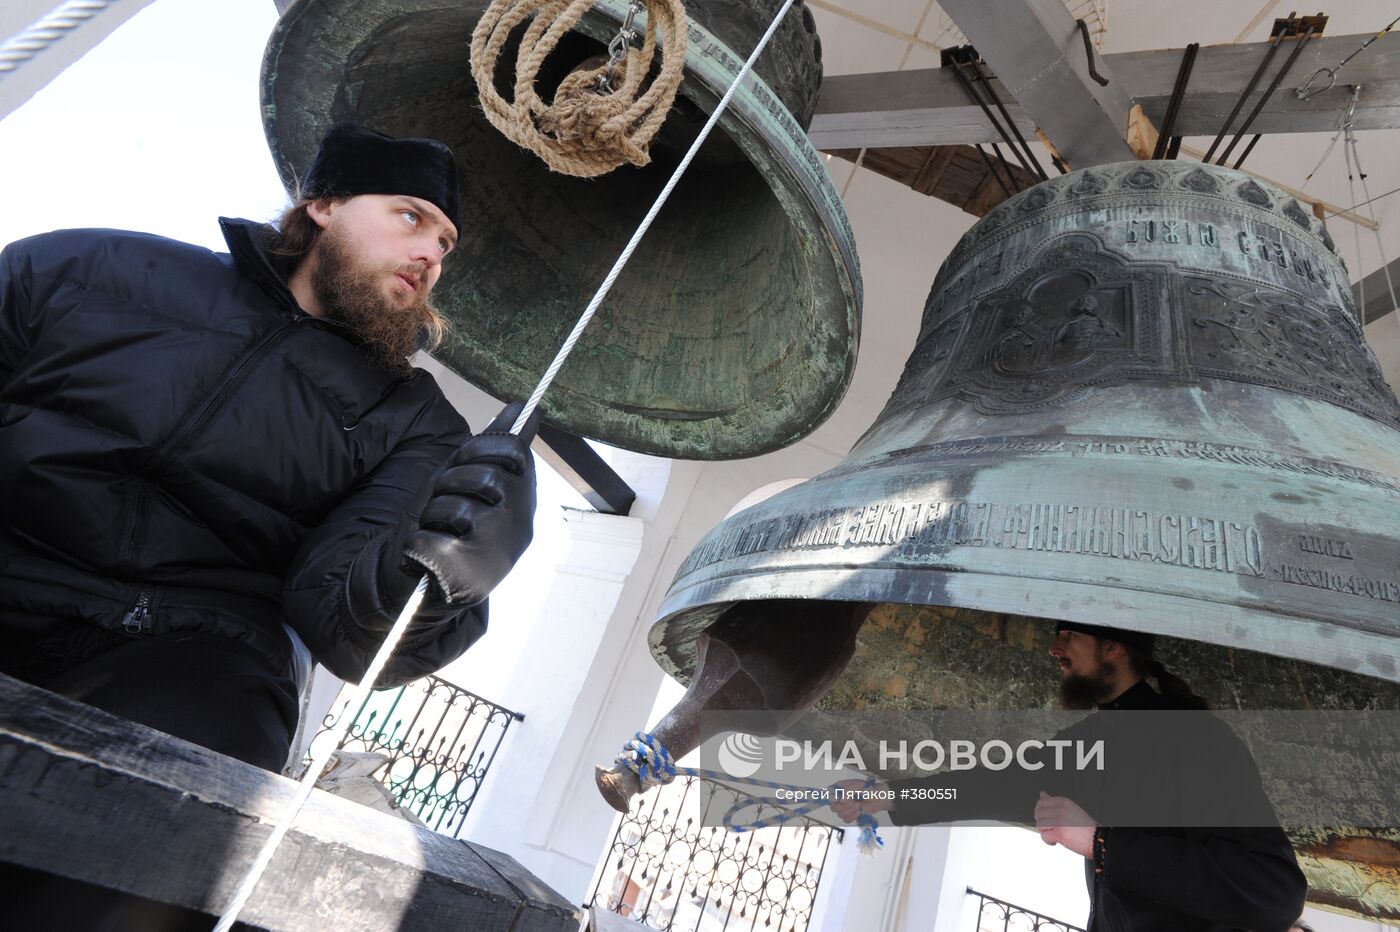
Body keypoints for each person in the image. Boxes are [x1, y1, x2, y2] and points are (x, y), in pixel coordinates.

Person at [0, 123, 538, 774]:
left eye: (445, 243)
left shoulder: (416, 422)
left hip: (186, 656)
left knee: (203, 741)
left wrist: (446, 581)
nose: (431, 255)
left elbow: (345, 628)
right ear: (324, 205)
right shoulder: (87, 268)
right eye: (410, 217)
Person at [831, 621, 1307, 931]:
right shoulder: (1088, 742)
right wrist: (888, 795)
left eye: (1068, 636)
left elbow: (1275, 892)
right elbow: (992, 785)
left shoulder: (1199, 742)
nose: (1054, 650)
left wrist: (1102, 844)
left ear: (1113, 647)